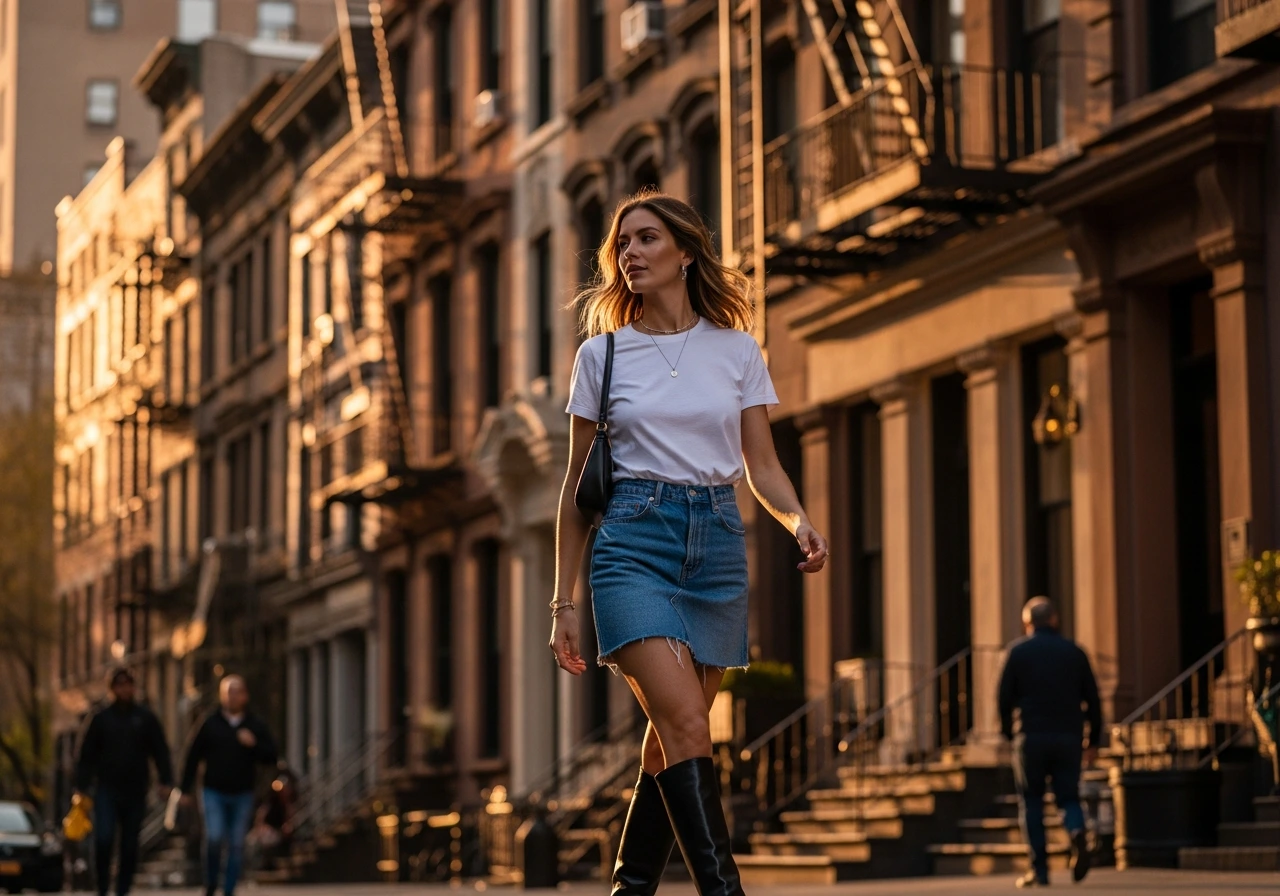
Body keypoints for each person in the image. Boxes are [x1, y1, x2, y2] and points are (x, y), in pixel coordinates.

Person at [551, 190, 828, 896]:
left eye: (646, 239)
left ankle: (631, 883)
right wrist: (564, 602)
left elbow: (761, 465)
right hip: (631, 545)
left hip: (716, 543)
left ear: (684, 252)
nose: (630, 254)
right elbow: (577, 489)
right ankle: (722, 890)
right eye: (622, 245)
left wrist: (798, 520)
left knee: (674, 734)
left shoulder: (736, 351)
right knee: (684, 723)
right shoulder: (602, 356)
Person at [998, 597, 1102, 888]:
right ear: (1054, 619)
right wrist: (1093, 739)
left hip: (1030, 736)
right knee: (1068, 797)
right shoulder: (1074, 652)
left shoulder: (1017, 653)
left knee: (1031, 802)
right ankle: (1076, 829)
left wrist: (1008, 732)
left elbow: (1003, 698)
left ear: (1027, 623)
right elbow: (1093, 699)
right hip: (1068, 735)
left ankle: (1039, 870)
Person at [73, 667, 175, 896]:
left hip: (136, 790)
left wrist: (165, 781)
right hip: (106, 790)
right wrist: (81, 786)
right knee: (104, 838)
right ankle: (101, 886)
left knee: (130, 844)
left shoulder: (145, 718)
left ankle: (122, 889)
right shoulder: (100, 719)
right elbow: (85, 755)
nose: (124, 689)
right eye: (119, 685)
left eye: (128, 684)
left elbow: (160, 751)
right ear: (112, 689)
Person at [180, 675, 278, 896]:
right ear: (222, 695)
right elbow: (192, 756)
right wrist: (184, 789)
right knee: (214, 837)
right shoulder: (210, 722)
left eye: (237, 691)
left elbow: (271, 756)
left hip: (243, 792)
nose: (233, 696)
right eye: (228, 692)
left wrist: (254, 745)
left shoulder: (255, 724)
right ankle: (211, 883)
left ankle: (229, 889)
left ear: (245, 695)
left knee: (236, 844)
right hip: (213, 791)